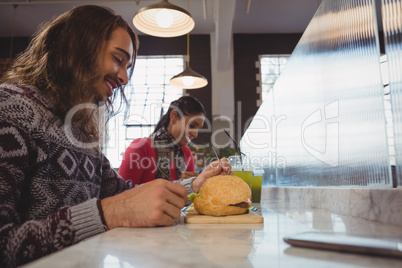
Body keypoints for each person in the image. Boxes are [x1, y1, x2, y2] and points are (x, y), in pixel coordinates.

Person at [0, 5, 229, 267]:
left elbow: (125, 193)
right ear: (77, 45)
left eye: (127, 66)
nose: (124, 78)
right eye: (118, 59)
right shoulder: (10, 107)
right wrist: (110, 212)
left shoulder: (81, 133)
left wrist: (196, 186)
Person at [119, 96, 222, 192]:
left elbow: (191, 197)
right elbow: (121, 195)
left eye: (198, 129)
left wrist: (193, 184)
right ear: (174, 116)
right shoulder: (140, 147)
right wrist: (180, 185)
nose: (195, 134)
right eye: (192, 125)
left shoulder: (186, 152)